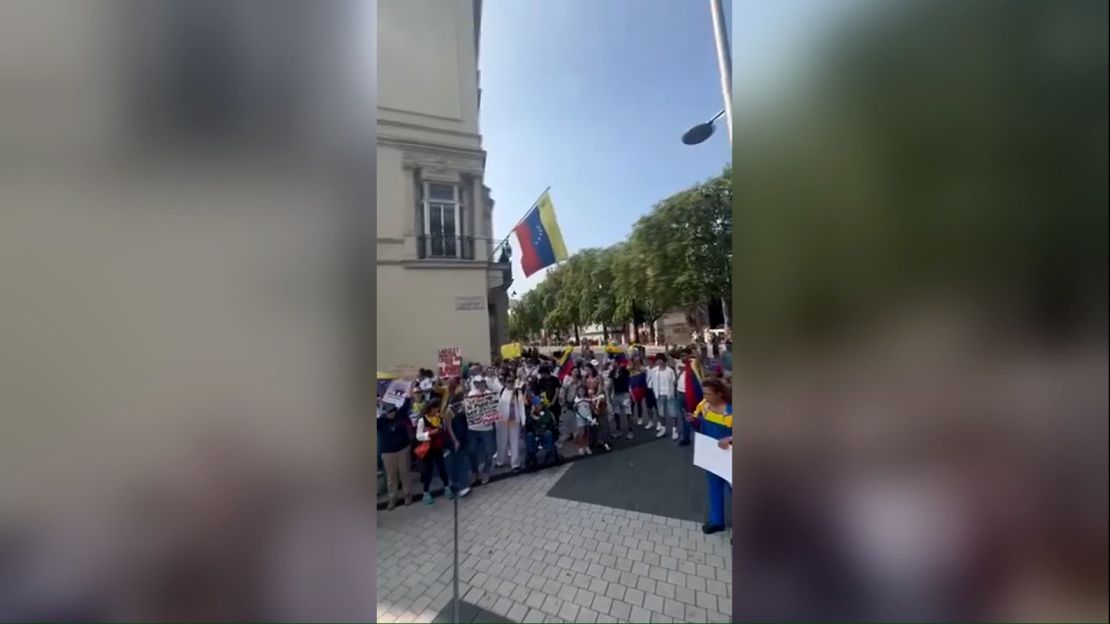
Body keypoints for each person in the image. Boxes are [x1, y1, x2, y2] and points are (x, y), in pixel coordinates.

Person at [686, 378, 733, 534]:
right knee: (714, 488)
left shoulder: (732, 409)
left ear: (719, 393)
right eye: (704, 393)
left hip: (732, 457)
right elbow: (700, 425)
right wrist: (692, 421)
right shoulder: (704, 406)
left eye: (708, 393)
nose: (705, 396)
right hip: (712, 455)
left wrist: (730, 439)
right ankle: (716, 521)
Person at [377, 403, 413, 510]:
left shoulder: (400, 415)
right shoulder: (380, 421)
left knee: (404, 472)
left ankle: (407, 495)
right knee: (391, 476)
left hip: (403, 449)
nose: (391, 414)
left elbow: (406, 403)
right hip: (388, 452)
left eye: (393, 411)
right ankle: (392, 498)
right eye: (389, 412)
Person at [415, 398, 449, 505]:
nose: (436, 411)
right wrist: (429, 434)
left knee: (442, 468)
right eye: (435, 408)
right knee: (428, 471)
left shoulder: (438, 418)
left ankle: (447, 487)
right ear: (429, 408)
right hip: (428, 448)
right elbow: (418, 436)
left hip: (437, 447)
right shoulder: (422, 420)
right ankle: (426, 493)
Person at [466, 375, 497, 485]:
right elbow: (469, 410)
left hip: (487, 428)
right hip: (473, 428)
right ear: (474, 384)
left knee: (489, 452)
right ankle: (475, 472)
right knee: (472, 451)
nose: (480, 385)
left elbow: (495, 409)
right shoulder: (471, 394)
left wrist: (492, 418)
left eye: (482, 382)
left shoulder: (490, 394)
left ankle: (486, 472)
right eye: (478, 383)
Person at [495, 373, 526, 472]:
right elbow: (496, 406)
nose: (511, 383)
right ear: (504, 382)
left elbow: (521, 406)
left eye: (512, 381)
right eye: (508, 381)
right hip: (502, 421)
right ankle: (500, 461)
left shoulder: (517, 392)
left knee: (514, 441)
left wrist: (523, 420)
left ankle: (515, 463)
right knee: (501, 441)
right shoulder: (501, 392)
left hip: (514, 420)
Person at [524, 395, 558, 469]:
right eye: (539, 404)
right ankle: (531, 456)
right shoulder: (530, 413)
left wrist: (537, 418)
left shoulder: (546, 411)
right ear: (534, 405)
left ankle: (549, 454)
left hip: (545, 430)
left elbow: (547, 420)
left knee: (548, 434)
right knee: (529, 435)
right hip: (534, 432)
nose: (541, 405)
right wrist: (532, 415)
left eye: (541, 404)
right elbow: (527, 424)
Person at [653, 355, 678, 440]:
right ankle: (663, 429)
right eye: (658, 360)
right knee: (661, 413)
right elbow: (652, 381)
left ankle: (675, 430)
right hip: (659, 394)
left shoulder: (670, 371)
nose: (659, 362)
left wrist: (674, 394)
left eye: (661, 360)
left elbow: (674, 382)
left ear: (664, 361)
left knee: (673, 413)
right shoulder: (655, 370)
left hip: (669, 394)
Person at [609, 359, 633, 440]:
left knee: (628, 412)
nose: (612, 364)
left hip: (625, 394)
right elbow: (610, 383)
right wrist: (609, 395)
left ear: (618, 363)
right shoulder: (612, 372)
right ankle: (618, 430)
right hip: (616, 394)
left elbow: (630, 367)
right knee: (616, 412)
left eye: (614, 362)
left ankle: (630, 431)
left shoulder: (624, 370)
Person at [572, 386, 596, 456]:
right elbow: (574, 408)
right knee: (582, 432)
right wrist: (575, 406)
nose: (581, 392)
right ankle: (580, 447)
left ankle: (587, 446)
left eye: (583, 390)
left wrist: (592, 404)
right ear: (578, 392)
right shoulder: (576, 399)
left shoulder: (587, 399)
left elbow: (591, 407)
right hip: (580, 417)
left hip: (588, 417)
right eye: (580, 391)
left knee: (587, 432)